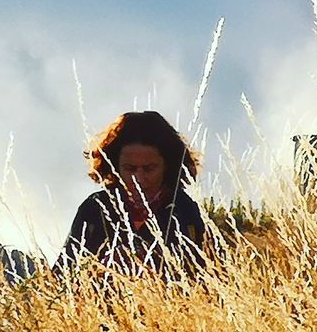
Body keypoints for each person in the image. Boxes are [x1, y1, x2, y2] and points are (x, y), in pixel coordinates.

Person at [58, 110, 206, 273]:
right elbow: (63, 276)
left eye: (149, 169)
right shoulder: (95, 209)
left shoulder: (184, 212)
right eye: (130, 168)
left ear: (168, 166)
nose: (139, 179)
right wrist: (100, 270)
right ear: (115, 167)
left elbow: (203, 279)